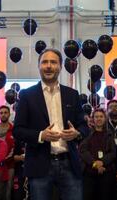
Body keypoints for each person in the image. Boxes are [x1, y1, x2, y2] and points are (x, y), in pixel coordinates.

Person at [13, 48, 88, 200]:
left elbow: (84, 126)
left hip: (69, 164)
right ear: (39, 66)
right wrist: (41, 135)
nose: (48, 66)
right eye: (44, 62)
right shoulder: (27, 95)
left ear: (60, 67)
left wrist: (77, 133)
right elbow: (18, 130)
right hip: (39, 164)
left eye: (53, 62)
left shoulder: (72, 94)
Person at [79, 108, 116, 200]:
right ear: (93, 119)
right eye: (96, 117)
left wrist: (102, 162)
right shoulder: (87, 133)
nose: (99, 119)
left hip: (106, 173)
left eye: (101, 116)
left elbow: (113, 152)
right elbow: (83, 150)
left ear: (105, 118)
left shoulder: (110, 134)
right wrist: (95, 163)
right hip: (89, 173)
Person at [0, 105, 15, 200]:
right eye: (1, 113)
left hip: (10, 165)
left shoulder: (14, 129)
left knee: (8, 190)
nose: (3, 115)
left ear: (9, 114)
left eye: (5, 112)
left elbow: (16, 147)